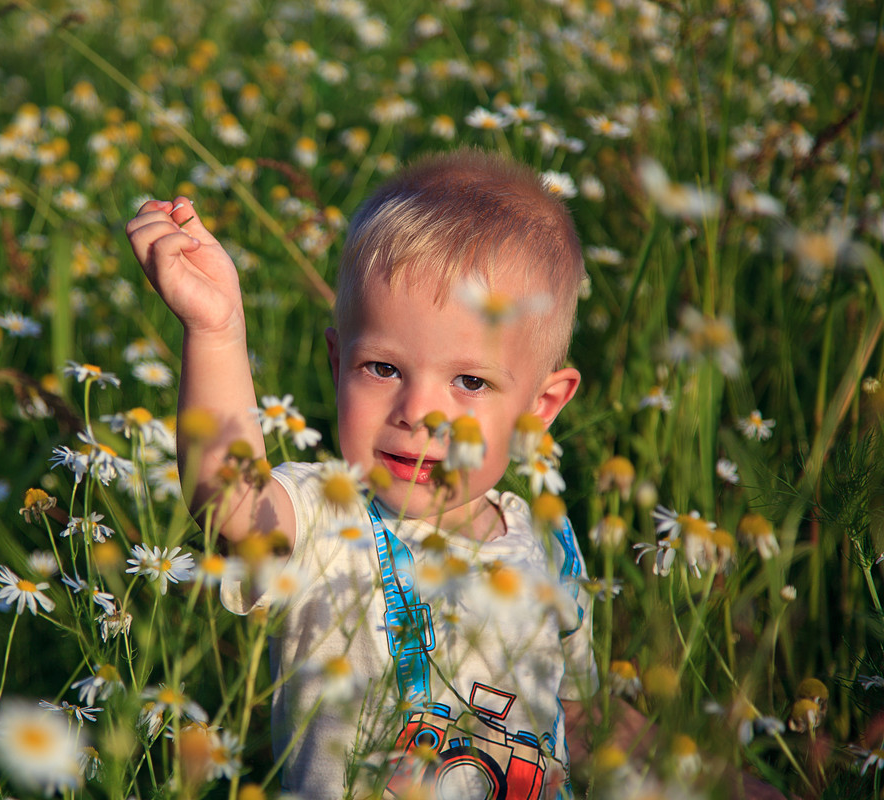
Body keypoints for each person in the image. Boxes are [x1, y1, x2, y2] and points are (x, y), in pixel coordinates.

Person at [126, 149, 781, 800]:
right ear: (335, 365)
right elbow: (230, 500)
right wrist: (215, 330)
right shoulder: (329, 517)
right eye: (382, 368)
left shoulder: (547, 546)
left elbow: (579, 718)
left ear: (540, 406)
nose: (417, 413)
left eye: (470, 380)